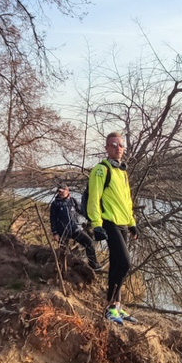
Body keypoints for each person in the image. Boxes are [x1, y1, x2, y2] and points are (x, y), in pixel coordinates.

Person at [84, 132, 137, 323]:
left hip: (123, 223)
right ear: (106, 148)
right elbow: (94, 198)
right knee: (125, 263)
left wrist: (132, 224)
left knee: (117, 264)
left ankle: (116, 308)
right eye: (113, 145)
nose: (118, 148)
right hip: (109, 222)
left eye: (120, 145)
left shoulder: (122, 171)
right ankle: (110, 306)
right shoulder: (101, 170)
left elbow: (127, 200)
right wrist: (97, 224)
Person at [49, 184, 102, 270]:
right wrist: (55, 233)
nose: (60, 193)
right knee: (64, 252)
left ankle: (93, 264)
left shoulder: (73, 201)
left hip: (75, 230)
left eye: (62, 191)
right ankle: (63, 269)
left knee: (89, 243)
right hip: (62, 232)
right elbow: (52, 219)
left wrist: (92, 217)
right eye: (59, 192)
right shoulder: (55, 204)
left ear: (67, 191)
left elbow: (82, 211)